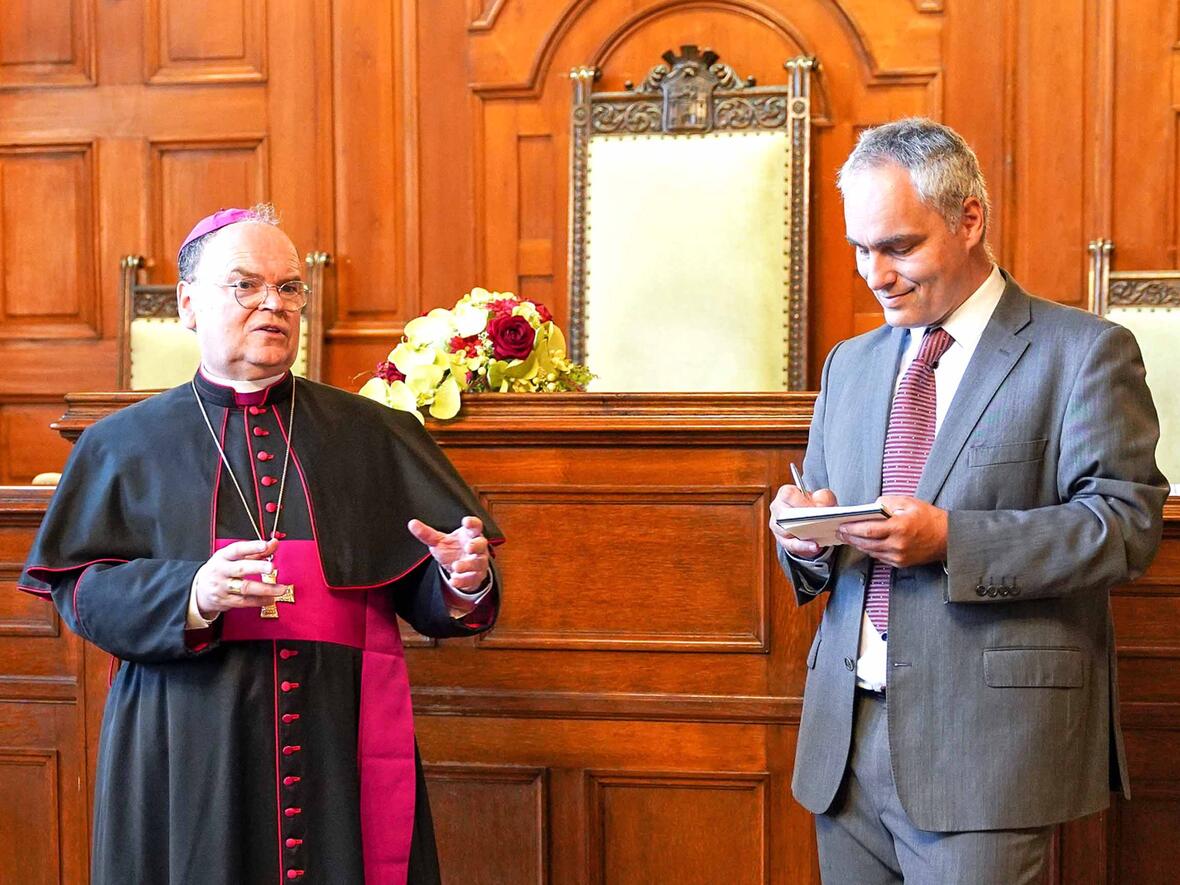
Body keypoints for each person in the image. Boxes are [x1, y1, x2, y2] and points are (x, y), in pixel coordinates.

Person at [18, 204, 503, 884]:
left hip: (339, 737)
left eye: (289, 288)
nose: (272, 304)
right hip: (187, 735)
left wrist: (460, 578)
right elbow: (84, 592)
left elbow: (424, 588)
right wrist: (192, 593)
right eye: (245, 285)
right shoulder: (121, 444)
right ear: (188, 304)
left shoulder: (372, 433)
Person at [770, 119, 1168, 884]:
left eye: (898, 246)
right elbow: (828, 534)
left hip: (985, 749)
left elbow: (1126, 525)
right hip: (842, 746)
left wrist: (954, 539)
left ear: (969, 219)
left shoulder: (1083, 351)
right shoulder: (848, 365)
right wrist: (806, 539)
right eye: (861, 249)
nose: (875, 274)